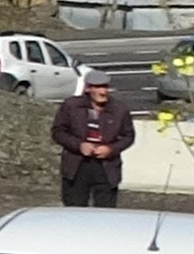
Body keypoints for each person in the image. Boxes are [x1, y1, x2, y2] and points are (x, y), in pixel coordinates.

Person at [51, 73, 138, 208]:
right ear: (87, 89)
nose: (102, 91)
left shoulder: (119, 109)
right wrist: (79, 146)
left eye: (104, 87)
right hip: (77, 167)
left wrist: (111, 149)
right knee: (74, 209)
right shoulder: (71, 106)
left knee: (105, 211)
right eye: (97, 87)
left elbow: (128, 136)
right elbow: (58, 132)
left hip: (107, 168)